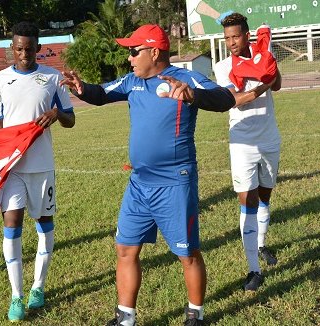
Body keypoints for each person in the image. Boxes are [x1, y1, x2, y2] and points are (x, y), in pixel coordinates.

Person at [60, 24, 235, 326]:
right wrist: (82, 88)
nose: (129, 58)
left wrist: (193, 97)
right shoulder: (132, 81)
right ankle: (125, 318)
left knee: (187, 254)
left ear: (154, 52)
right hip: (139, 184)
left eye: (133, 51)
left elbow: (225, 98)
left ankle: (195, 316)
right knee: (126, 249)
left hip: (174, 183)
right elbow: (102, 93)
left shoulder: (185, 78)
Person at [0, 21, 75, 322]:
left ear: (38, 48)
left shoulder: (52, 78)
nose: (24, 53)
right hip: (12, 167)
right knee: (12, 225)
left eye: (29, 48)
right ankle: (16, 295)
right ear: (12, 49)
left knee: (45, 222)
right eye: (19, 48)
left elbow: (70, 120)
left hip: (42, 166)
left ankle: (38, 287)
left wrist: (56, 113)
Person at [213, 13, 282, 292]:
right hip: (241, 141)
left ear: (247, 34)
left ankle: (262, 245)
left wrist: (267, 65)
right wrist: (262, 82)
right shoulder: (222, 67)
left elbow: (277, 84)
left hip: (269, 138)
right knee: (247, 201)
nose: (231, 42)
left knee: (265, 196)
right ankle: (253, 269)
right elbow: (235, 101)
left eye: (236, 36)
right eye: (227, 37)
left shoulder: (263, 55)